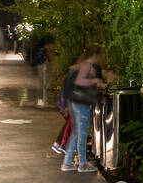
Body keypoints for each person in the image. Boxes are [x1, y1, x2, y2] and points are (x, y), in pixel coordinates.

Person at [61, 46, 113, 174]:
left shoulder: (82, 65)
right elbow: (81, 81)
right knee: (82, 134)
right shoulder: (87, 65)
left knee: (77, 133)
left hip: (75, 102)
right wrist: (95, 81)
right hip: (81, 104)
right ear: (95, 55)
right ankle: (83, 164)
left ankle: (67, 162)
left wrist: (99, 83)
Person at [32, 30, 58, 106]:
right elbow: (50, 53)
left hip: (41, 63)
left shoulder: (42, 42)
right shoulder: (48, 42)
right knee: (44, 81)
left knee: (42, 81)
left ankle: (41, 99)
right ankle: (44, 99)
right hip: (44, 63)